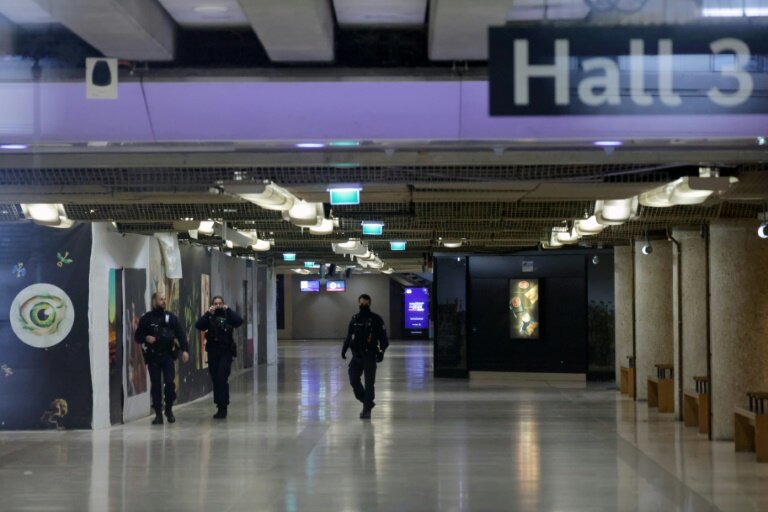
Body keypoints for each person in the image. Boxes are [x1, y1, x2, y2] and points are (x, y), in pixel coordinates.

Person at [134, 292, 189, 425]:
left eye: (164, 299)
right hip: (153, 357)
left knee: (169, 383)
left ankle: (169, 410)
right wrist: (146, 338)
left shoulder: (171, 317)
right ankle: (158, 414)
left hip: (168, 356)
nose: (163, 301)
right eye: (161, 299)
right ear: (154, 301)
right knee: (156, 385)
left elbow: (181, 334)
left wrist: (185, 350)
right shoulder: (146, 318)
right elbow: (137, 336)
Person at [195, 295, 243, 419]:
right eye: (215, 303)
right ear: (212, 305)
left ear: (223, 304)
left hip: (226, 352)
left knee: (222, 378)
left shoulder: (228, 316)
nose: (218, 306)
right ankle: (219, 405)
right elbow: (199, 325)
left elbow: (239, 321)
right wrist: (207, 313)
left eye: (220, 303)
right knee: (216, 380)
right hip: (213, 352)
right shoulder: (210, 316)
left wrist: (229, 310)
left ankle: (224, 406)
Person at [341, 294, 389, 419]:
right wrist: (344, 350)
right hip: (356, 356)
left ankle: (366, 410)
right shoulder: (355, 319)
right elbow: (349, 336)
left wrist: (382, 351)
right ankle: (367, 402)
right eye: (362, 303)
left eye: (366, 303)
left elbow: (384, 339)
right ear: (359, 303)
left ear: (369, 304)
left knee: (369, 384)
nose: (364, 305)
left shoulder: (376, 319)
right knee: (353, 380)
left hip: (369, 356)